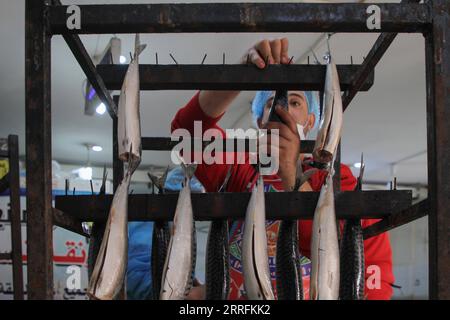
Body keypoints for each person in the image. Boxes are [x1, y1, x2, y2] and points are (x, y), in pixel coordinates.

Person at [171, 38, 395, 300]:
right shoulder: (240, 172)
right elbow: (187, 133)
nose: (281, 107)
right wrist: (240, 75)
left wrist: (292, 175)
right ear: (259, 120)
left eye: (295, 102)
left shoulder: (337, 180)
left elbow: (371, 268)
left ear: (311, 121)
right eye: (270, 103)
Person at [126, 166, 205, 300]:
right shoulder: (147, 226)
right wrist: (190, 293)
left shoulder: (175, 227)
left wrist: (188, 284)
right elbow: (137, 283)